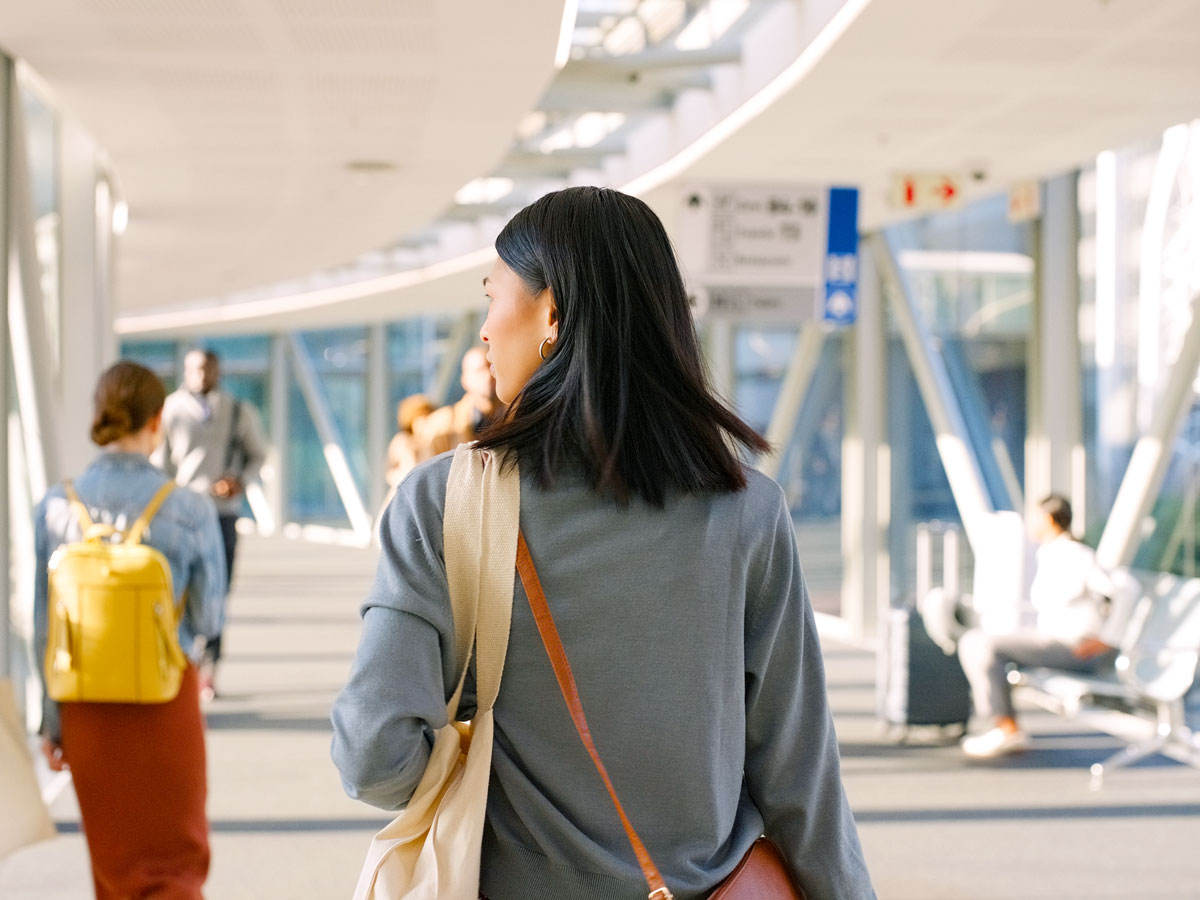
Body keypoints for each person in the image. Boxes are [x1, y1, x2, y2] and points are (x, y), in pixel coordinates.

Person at [332, 187, 875, 899]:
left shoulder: (446, 500)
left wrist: (476, 737)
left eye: (493, 295)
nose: (486, 331)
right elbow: (800, 772)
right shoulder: (748, 511)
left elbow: (375, 757)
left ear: (551, 312)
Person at [34, 360, 226, 900]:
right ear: (157, 419)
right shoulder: (187, 507)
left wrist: (52, 722)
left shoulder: (54, 506)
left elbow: (43, 628)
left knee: (114, 869)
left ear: (100, 415)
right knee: (173, 866)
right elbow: (209, 618)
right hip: (164, 698)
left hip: (85, 707)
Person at [958, 495, 1121, 759]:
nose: (1029, 523)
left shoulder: (1077, 555)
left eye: (1033, 517)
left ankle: (1004, 727)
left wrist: (1108, 639)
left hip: (1075, 646)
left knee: (981, 644)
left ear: (1049, 519)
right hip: (1053, 639)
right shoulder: (1050, 553)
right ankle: (1002, 725)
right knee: (976, 642)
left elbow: (1121, 593)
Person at [153, 348, 266, 700]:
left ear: (218, 370)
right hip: (183, 515)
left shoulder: (237, 410)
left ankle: (209, 668)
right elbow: (160, 461)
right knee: (179, 586)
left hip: (222, 513)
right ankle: (180, 660)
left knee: (218, 589)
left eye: (208, 368)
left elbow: (258, 454)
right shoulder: (171, 410)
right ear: (186, 371)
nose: (202, 375)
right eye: (196, 369)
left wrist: (239, 480)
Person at [419, 345, 502, 456]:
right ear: (464, 379)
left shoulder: (517, 418)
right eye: (479, 370)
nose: (488, 376)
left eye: (492, 368)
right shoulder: (441, 426)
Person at [385, 393, 437, 490]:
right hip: (404, 492)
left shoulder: (432, 441)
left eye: (428, 418)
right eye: (422, 418)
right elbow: (389, 472)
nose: (425, 423)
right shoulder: (402, 440)